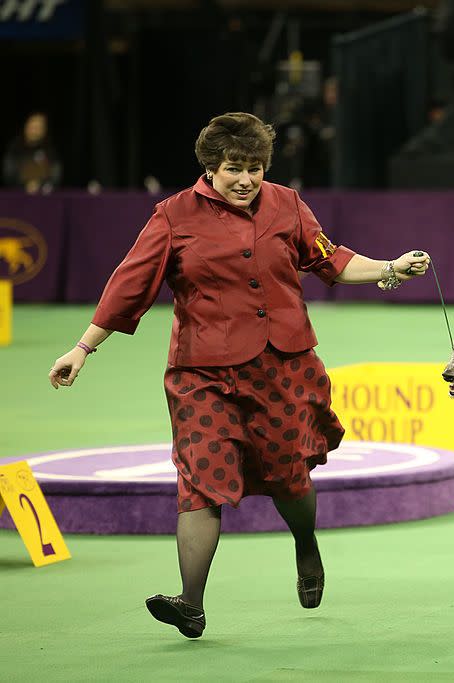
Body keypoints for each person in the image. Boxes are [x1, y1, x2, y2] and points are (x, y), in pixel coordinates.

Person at [47, 112, 431, 639]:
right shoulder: (173, 215)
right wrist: (82, 348)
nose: (246, 180)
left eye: (255, 168)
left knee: (288, 475)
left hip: (282, 366)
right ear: (210, 168)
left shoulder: (287, 204)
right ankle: (191, 602)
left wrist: (392, 266)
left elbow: (332, 262)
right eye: (234, 169)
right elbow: (130, 283)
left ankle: (305, 545)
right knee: (201, 482)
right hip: (202, 372)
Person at [2, 112, 62, 193]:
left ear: (44, 130)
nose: (35, 130)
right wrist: (25, 184)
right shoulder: (15, 148)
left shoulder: (49, 150)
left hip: (44, 196)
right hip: (16, 195)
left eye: (39, 127)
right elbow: (9, 173)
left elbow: (55, 175)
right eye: (33, 127)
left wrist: (40, 184)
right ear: (26, 127)